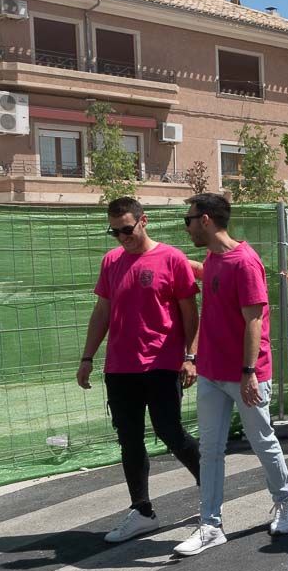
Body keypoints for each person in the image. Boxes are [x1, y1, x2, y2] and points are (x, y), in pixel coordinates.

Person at [77, 197, 202, 544]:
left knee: (170, 431)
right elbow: (102, 311)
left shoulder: (172, 258)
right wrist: (87, 357)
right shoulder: (112, 261)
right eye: (115, 232)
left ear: (143, 221)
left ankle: (211, 491)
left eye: (127, 229)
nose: (122, 237)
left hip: (161, 363)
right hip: (120, 367)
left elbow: (190, 313)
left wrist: (190, 356)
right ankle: (142, 511)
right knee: (129, 440)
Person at [175, 193, 288, 556]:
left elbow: (254, 320)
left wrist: (248, 372)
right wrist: (194, 357)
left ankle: (285, 502)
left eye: (189, 220)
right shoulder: (213, 258)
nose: (188, 226)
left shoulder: (245, 262)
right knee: (210, 449)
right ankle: (210, 525)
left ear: (206, 219)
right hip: (211, 371)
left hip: (245, 374)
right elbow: (210, 280)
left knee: (262, 441)